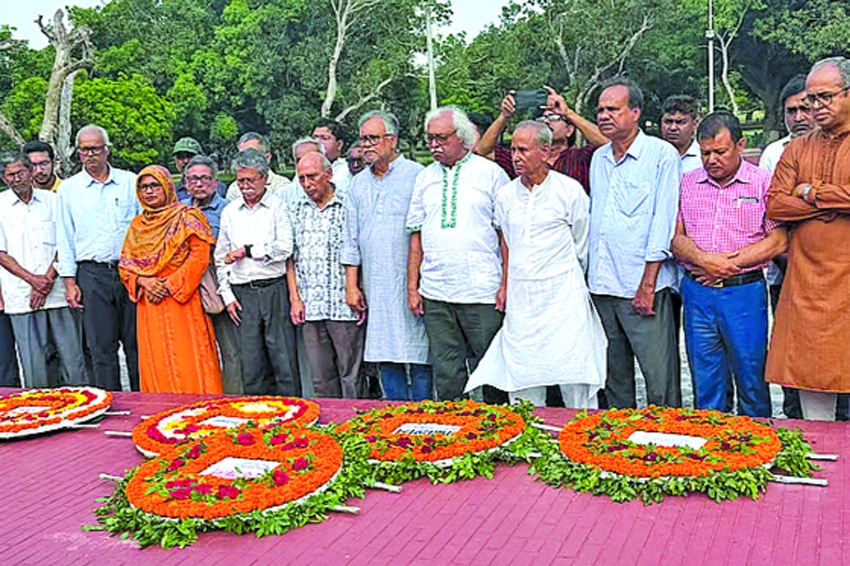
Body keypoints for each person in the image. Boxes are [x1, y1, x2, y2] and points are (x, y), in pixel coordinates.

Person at [466, 121, 606, 407]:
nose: (516, 156)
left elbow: (582, 245)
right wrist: (507, 283)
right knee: (524, 375)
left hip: (564, 297)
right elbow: (507, 240)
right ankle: (530, 442)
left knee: (574, 373)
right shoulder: (505, 195)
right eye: (513, 149)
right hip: (523, 301)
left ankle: (579, 439)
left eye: (523, 150)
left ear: (544, 151)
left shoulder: (569, 190)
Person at [671, 111, 785, 417]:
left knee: (751, 378)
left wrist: (726, 265)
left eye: (720, 152)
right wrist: (704, 261)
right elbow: (675, 238)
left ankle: (757, 452)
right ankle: (712, 455)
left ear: (741, 145)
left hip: (743, 293)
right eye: (705, 152)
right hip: (698, 295)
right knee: (706, 382)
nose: (711, 160)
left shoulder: (762, 182)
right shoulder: (687, 182)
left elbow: (777, 241)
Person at [588, 79, 682, 409]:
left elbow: (663, 221)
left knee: (659, 379)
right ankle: (616, 448)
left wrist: (647, 284)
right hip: (603, 287)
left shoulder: (661, 155)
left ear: (636, 113)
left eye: (612, 109)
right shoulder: (599, 158)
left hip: (643, 287)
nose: (604, 116)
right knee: (613, 378)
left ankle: (668, 446)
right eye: (600, 110)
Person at [766, 56, 850, 421]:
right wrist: (832, 200)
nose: (815, 108)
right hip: (807, 286)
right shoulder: (797, 148)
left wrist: (810, 193)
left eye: (825, 97)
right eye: (811, 99)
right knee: (813, 394)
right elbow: (774, 205)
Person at [407, 106, 509, 403]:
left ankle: (499, 431)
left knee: (491, 368)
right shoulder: (425, 178)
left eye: (441, 138)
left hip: (482, 292)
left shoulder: (491, 174)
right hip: (436, 293)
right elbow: (416, 237)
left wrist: (505, 284)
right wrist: (413, 288)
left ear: (462, 138)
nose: (434, 145)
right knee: (448, 371)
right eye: (430, 139)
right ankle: (456, 432)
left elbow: (505, 236)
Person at [342, 110, 433, 401]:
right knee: (384, 351)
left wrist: (415, 285)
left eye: (373, 138)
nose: (366, 145)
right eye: (363, 139)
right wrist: (351, 285)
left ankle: (423, 416)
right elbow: (350, 239)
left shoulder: (417, 176)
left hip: (412, 283)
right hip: (376, 285)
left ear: (392, 140)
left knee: (420, 353)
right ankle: (394, 418)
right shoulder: (357, 184)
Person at [119, 166, 222, 394]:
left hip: (182, 301)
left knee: (190, 357)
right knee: (157, 361)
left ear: (167, 186)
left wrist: (169, 285)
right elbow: (126, 266)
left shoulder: (188, 217)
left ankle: (201, 409)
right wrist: (145, 283)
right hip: (150, 304)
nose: (149, 192)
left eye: (154, 185)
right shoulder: (137, 226)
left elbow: (199, 255)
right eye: (143, 187)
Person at [56, 125, 140, 392]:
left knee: (136, 342)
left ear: (107, 149)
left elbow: (145, 228)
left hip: (129, 272)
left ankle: (144, 401)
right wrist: (70, 282)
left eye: (94, 148)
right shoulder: (70, 190)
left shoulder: (130, 182)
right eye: (83, 150)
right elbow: (65, 237)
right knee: (101, 346)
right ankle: (112, 404)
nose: (89, 155)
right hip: (91, 274)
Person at [215, 148, 300, 396]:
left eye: (250, 180)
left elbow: (285, 248)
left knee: (283, 360)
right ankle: (258, 416)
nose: (245, 186)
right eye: (240, 181)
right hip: (243, 293)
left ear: (264, 178)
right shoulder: (230, 212)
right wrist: (227, 296)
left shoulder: (277, 207)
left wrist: (250, 250)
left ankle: (293, 414)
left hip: (274, 288)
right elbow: (221, 257)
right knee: (251, 364)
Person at [0, 151, 87, 388]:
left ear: (30, 172)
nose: (17, 178)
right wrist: (33, 281)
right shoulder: (1, 206)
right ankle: (43, 415)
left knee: (73, 361)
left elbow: (66, 241)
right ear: (4, 179)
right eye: (10, 175)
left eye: (20, 172)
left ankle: (83, 411)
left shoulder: (54, 201)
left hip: (58, 292)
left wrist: (47, 280)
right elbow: (1, 254)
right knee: (35, 366)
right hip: (22, 296)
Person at [758, 74, 816, 420]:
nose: (797, 117)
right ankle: (796, 421)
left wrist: (809, 196)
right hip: (785, 272)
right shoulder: (773, 153)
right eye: (790, 111)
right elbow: (773, 210)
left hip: (835, 272)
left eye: (804, 108)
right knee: (792, 354)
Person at [288, 152, 364, 398]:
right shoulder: (295, 208)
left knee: (352, 375)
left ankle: (357, 426)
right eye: (301, 179)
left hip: (343, 304)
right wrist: (295, 299)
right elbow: (290, 258)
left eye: (312, 176)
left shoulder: (348, 203)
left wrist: (356, 289)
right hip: (311, 305)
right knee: (321, 377)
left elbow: (358, 251)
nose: (307, 184)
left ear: (329, 174)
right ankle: (329, 429)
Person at [180, 154, 242, 395]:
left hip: (220, 288)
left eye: (205, 178)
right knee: (194, 350)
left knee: (231, 351)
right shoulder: (178, 211)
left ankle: (233, 398)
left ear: (216, 183)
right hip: (188, 290)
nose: (199, 183)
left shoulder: (229, 210)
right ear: (185, 182)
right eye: (193, 178)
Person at [475, 86, 607, 192]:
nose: (547, 122)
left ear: (569, 130)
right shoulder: (524, 157)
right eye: (542, 119)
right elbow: (484, 151)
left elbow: (608, 144)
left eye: (554, 117)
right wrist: (504, 116)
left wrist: (568, 113)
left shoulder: (582, 156)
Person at [225, 132, 290, 201]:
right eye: (242, 155)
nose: (246, 161)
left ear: (267, 158)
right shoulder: (234, 189)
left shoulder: (283, 186)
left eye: (253, 155)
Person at [660, 95, 702, 173]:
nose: (673, 128)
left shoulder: (703, 158)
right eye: (668, 122)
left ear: (695, 124)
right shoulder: (651, 156)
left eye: (680, 122)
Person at [313, 119, 352, 195]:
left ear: (339, 145)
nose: (317, 142)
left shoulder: (347, 170)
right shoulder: (304, 170)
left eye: (325, 138)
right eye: (314, 138)